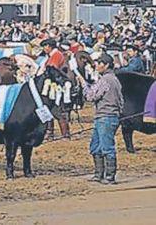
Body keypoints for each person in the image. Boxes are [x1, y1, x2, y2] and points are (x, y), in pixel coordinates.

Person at [77, 53, 123, 184]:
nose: (96, 65)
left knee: (106, 146)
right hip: (108, 116)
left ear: (106, 65)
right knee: (96, 145)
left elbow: (91, 96)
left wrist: (83, 84)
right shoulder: (114, 80)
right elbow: (121, 100)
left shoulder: (105, 80)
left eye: (99, 63)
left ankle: (109, 176)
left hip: (105, 116)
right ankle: (99, 174)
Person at [40, 38, 70, 138]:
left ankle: (64, 133)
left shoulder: (56, 55)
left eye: (45, 46)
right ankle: (50, 131)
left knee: (56, 109)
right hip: (52, 85)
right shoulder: (54, 55)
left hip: (56, 86)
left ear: (49, 46)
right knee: (48, 108)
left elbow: (52, 70)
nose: (44, 49)